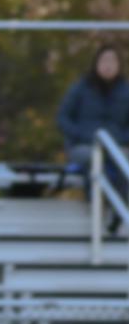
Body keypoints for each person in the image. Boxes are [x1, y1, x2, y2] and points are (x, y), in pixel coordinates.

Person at [56, 44, 129, 222]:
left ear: (119, 64)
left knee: (123, 161)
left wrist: (122, 139)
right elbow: (63, 117)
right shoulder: (81, 88)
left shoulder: (126, 91)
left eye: (112, 60)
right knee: (94, 160)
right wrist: (80, 134)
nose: (108, 65)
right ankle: (98, 207)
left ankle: (120, 210)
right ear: (96, 63)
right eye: (104, 60)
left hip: (116, 146)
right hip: (84, 145)